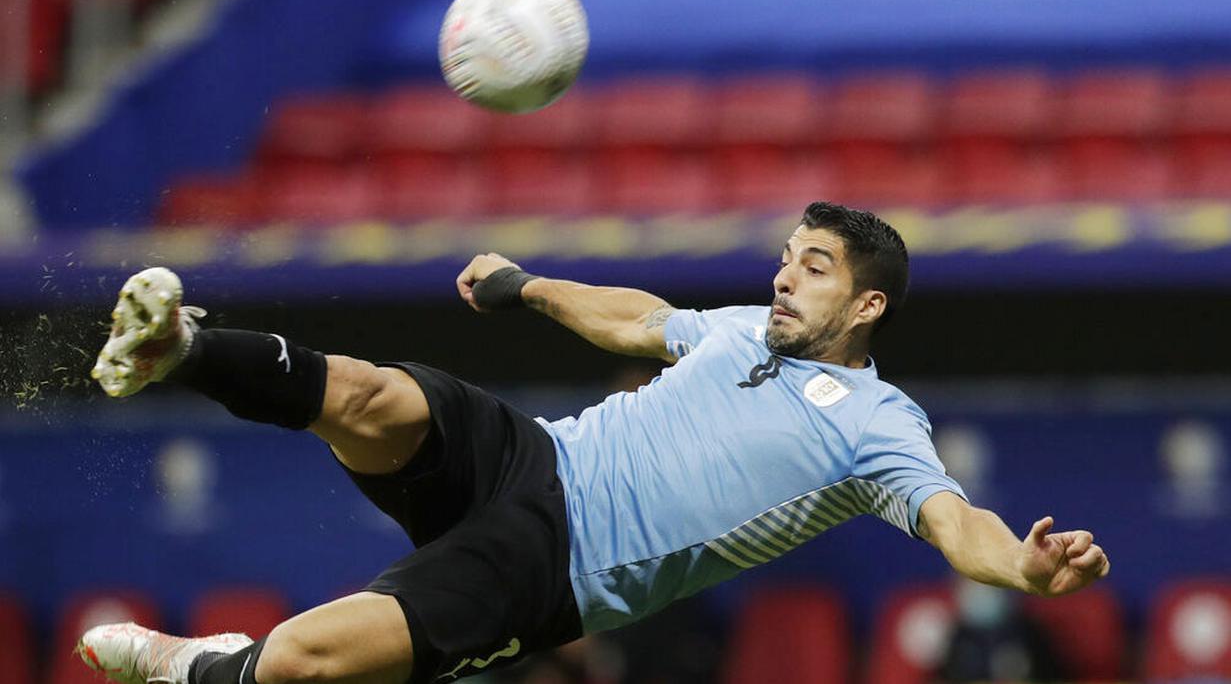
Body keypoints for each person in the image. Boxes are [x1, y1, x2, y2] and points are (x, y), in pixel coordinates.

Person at [78, 203, 1110, 684]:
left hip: (559, 567)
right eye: (787, 256)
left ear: (867, 303)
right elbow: (637, 318)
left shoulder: (879, 423)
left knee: (304, 660)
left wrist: (1022, 566)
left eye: (815, 267)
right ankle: (181, 346)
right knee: (375, 394)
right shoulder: (742, 327)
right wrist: (527, 285)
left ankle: (201, 670)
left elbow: (952, 521)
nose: (784, 276)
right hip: (533, 455)